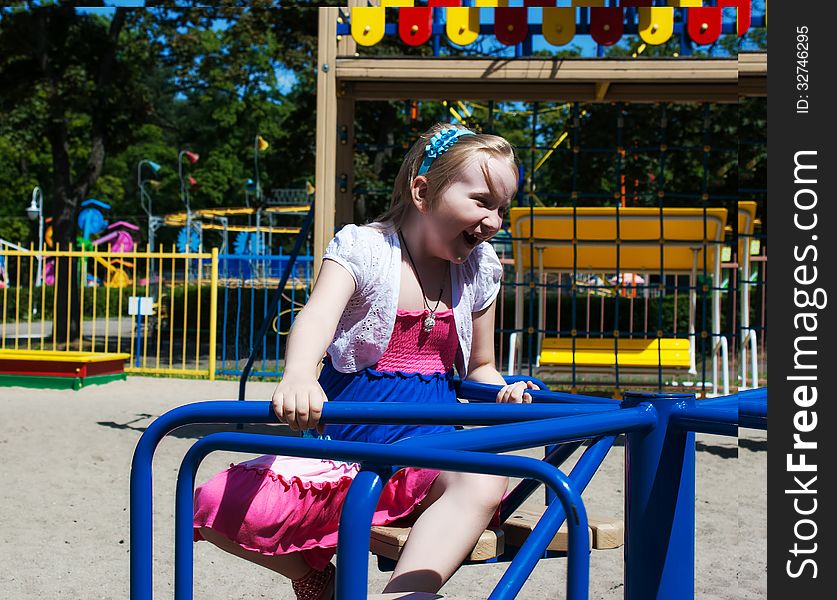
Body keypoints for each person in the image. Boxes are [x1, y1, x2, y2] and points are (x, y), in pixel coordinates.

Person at [193, 123, 539, 599]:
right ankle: (312, 575)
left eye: (503, 207)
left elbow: (480, 366)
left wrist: (504, 388)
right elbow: (315, 318)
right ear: (422, 191)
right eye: (482, 201)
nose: (495, 221)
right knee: (213, 503)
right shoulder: (366, 249)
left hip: (426, 453)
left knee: (484, 477)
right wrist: (298, 375)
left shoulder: (480, 270)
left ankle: (405, 595)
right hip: (346, 450)